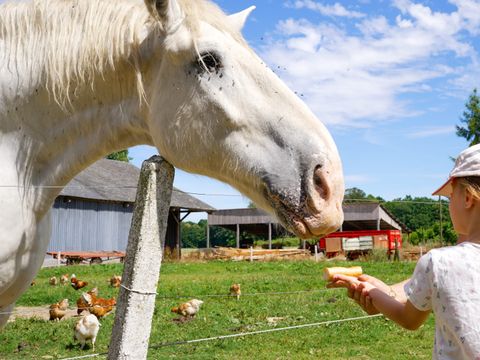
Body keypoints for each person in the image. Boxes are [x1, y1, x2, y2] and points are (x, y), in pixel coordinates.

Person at [328, 144, 480, 359]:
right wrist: (387, 291)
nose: (448, 205)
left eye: (449, 196)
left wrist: (371, 293)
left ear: (467, 197)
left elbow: (409, 319)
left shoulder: (438, 262)